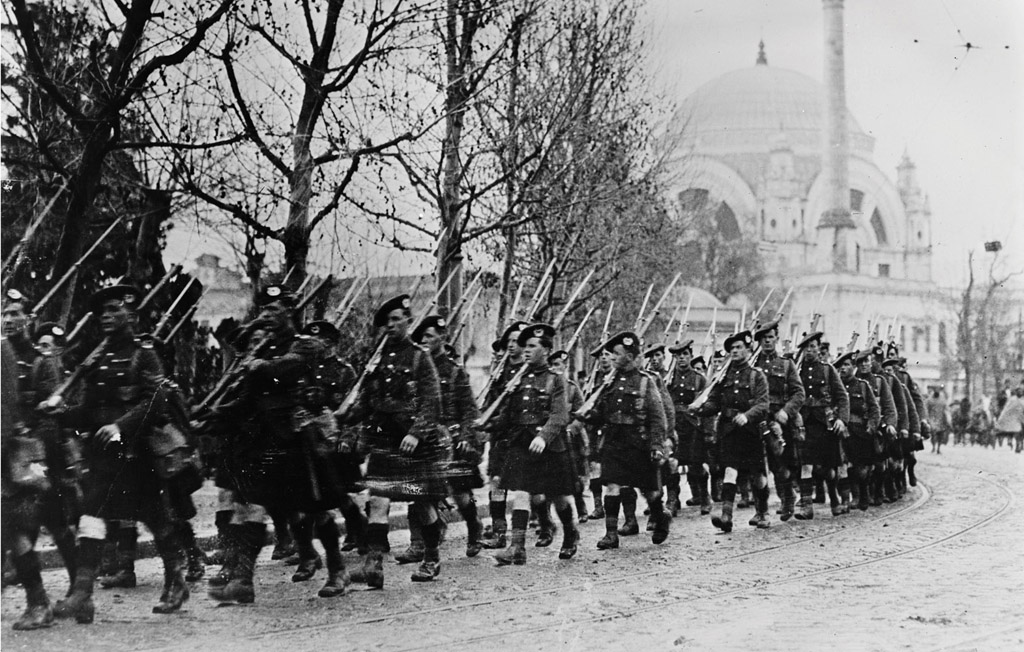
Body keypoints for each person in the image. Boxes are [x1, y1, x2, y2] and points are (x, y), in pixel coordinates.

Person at [47, 285, 189, 622]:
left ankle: (176, 581)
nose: (107, 317)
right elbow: (89, 410)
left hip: (137, 455)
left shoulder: (144, 353)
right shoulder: (99, 357)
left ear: (131, 314)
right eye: (102, 313)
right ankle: (82, 594)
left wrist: (120, 427)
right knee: (91, 514)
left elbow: (157, 401)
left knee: (156, 518)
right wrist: (60, 413)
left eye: (114, 310)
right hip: (105, 457)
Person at [210, 286, 350, 604]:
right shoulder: (262, 350)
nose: (267, 317)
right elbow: (248, 396)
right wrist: (213, 415)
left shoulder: (305, 346)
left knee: (316, 511)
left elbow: (286, 370)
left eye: (274, 311)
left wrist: (258, 367)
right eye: (264, 311)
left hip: (299, 440)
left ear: (290, 312)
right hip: (265, 442)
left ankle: (337, 569)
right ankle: (244, 581)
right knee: (253, 506)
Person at [337, 294, 449, 586]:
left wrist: (416, 432)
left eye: (397, 319)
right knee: (378, 500)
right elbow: (368, 401)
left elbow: (432, 402)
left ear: (408, 321)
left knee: (422, 503)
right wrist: (344, 417)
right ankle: (373, 565)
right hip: (385, 442)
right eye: (387, 321)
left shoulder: (419, 356)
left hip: (413, 445)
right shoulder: (377, 360)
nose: (391, 325)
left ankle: (432, 556)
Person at [486, 324, 580, 564]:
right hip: (521, 443)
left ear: (546, 350)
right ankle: (517, 547)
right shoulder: (519, 379)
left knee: (558, 498)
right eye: (523, 345)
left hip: (550, 447)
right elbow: (508, 415)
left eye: (531, 346)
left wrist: (543, 436)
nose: (524, 350)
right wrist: (484, 425)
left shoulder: (556, 380)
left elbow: (560, 415)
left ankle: (570, 533)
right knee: (520, 491)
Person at [579, 331, 671, 549]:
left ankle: (661, 518)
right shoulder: (608, 383)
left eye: (617, 354)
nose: (612, 358)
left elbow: (658, 417)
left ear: (629, 356)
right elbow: (601, 412)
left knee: (650, 492)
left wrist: (658, 445)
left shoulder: (645, 382)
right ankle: (611, 534)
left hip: (638, 443)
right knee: (612, 486)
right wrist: (587, 416)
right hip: (614, 442)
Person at [409, 316, 486, 559]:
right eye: (421, 337)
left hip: (451, 441)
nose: (424, 341)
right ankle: (418, 543)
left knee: (460, 493)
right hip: (424, 438)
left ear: (442, 338)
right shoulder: (416, 370)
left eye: (430, 336)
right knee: (418, 491)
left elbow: (470, 411)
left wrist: (465, 437)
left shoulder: (454, 373)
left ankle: (474, 527)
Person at [694, 330, 771, 532]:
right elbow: (715, 402)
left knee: (758, 476)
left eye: (739, 347)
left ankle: (762, 511)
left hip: (752, 432)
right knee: (730, 470)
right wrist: (700, 409)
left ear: (748, 349)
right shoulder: (724, 376)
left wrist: (747, 416)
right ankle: (726, 516)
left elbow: (763, 405)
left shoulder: (757, 376)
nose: (735, 351)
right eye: (732, 348)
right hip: (729, 431)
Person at [479, 321, 529, 549]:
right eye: (508, 340)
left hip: (521, 434)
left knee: (522, 487)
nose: (511, 345)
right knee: (497, 483)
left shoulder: (529, 371)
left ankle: (540, 526)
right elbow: (490, 401)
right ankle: (499, 532)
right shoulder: (499, 372)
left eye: (516, 341)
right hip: (500, 435)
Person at [750, 321, 805, 521]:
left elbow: (799, 393)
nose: (767, 341)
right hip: (757, 419)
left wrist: (786, 412)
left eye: (770, 337)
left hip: (780, 420)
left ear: (776, 339)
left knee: (781, 466)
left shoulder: (786, 364)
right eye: (763, 338)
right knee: (756, 467)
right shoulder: (752, 365)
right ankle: (760, 510)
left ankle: (787, 497)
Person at [795, 332, 850, 519]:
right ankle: (806, 506)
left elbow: (842, 397)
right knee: (806, 465)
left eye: (813, 347)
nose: (809, 351)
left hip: (826, 424)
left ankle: (834, 499)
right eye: (806, 347)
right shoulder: (796, 370)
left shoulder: (828, 370)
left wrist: (842, 419)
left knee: (829, 468)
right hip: (804, 423)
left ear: (819, 349)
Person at [666, 339, 712, 515]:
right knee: (672, 463)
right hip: (674, 427)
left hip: (694, 426)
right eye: (678, 356)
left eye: (685, 355)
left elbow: (708, 406)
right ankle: (672, 499)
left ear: (691, 356)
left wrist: (709, 432)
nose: (681, 359)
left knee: (696, 465)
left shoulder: (700, 379)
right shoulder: (668, 379)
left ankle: (704, 497)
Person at [549, 349, 590, 524]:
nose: (555, 368)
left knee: (575, 477)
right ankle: (542, 517)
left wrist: (571, 429)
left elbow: (581, 414)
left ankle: (581, 508)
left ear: (565, 366)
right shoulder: (546, 387)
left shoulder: (573, 388)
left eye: (558, 364)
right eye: (552, 365)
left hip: (570, 438)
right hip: (550, 437)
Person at [837, 352, 880, 511]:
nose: (843, 368)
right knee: (842, 467)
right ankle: (846, 500)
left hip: (860, 433)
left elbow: (874, 408)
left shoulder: (862, 386)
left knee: (861, 470)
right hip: (841, 432)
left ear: (854, 367)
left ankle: (863, 493)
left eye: (847, 364)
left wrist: (871, 426)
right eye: (841, 365)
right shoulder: (835, 385)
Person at [993, 387, 1024, 454]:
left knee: (1020, 432)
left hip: (1021, 417)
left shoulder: (1023, 399)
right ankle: (1017, 445)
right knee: (1017, 431)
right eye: (1018, 391)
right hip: (1013, 418)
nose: (1020, 392)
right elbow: (1007, 409)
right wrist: (1002, 417)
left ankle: (1019, 444)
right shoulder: (1012, 399)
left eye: (1021, 391)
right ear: (1016, 392)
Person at [926, 389, 951, 454]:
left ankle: (936, 448)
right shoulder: (941, 400)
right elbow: (947, 409)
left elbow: (946, 409)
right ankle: (936, 448)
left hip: (937, 420)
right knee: (937, 435)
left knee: (936, 434)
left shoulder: (930, 400)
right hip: (937, 420)